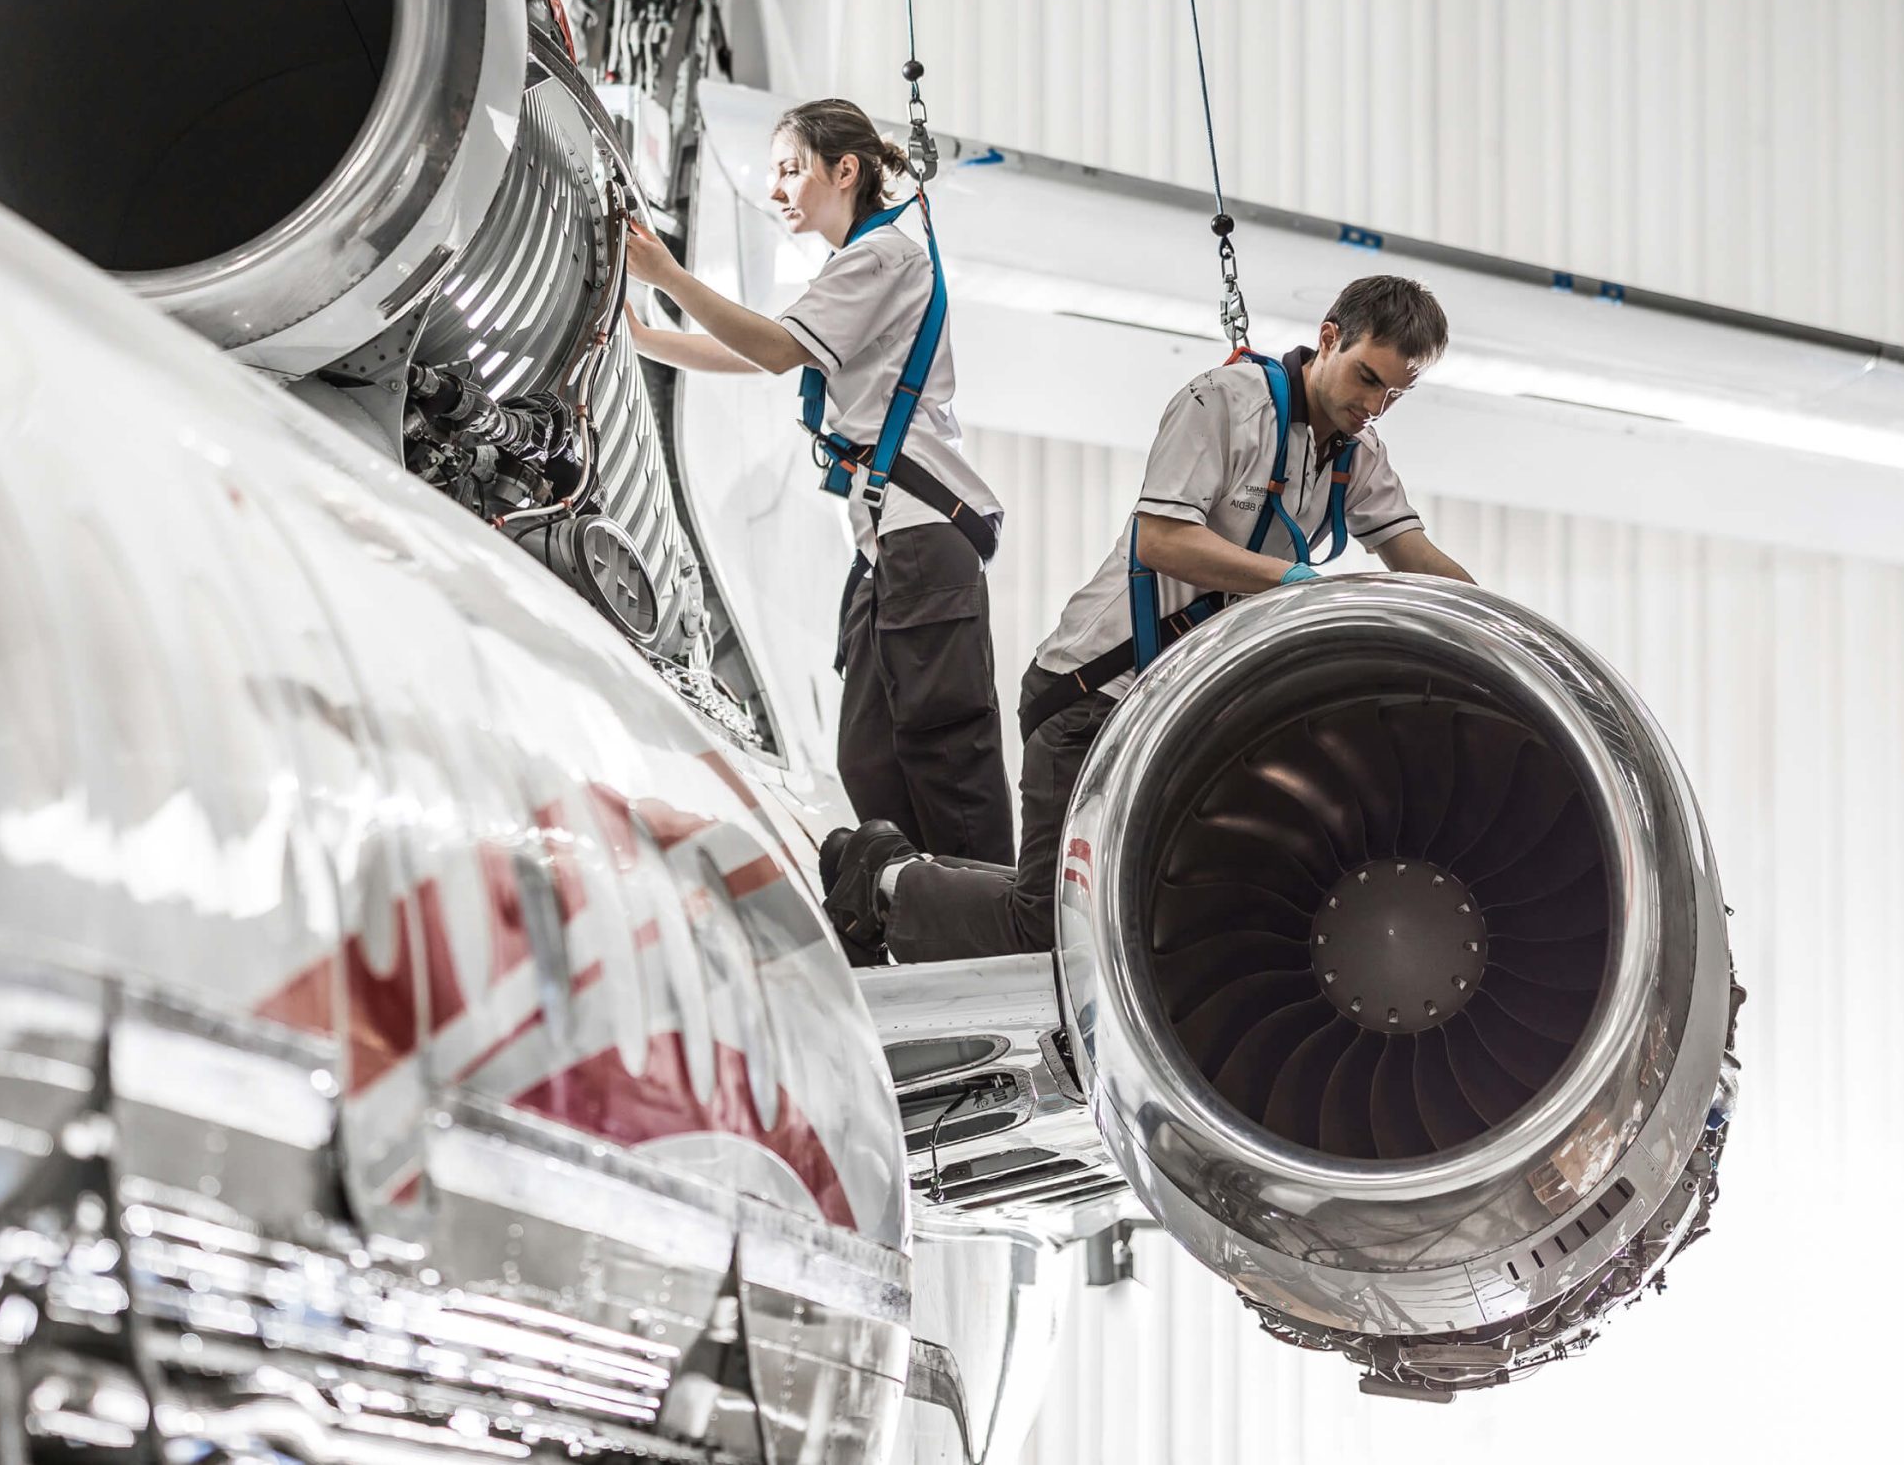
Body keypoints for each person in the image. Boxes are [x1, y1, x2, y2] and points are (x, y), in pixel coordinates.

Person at [821, 273, 1477, 965]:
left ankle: (897, 868)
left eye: (1394, 396)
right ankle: (880, 874)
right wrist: (1298, 584)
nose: (1374, 406)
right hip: (1089, 693)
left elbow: (1416, 557)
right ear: (1328, 339)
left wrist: (1496, 629)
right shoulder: (1222, 404)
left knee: (1109, 915)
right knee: (1048, 931)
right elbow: (1160, 540)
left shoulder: (1357, 456)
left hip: (1162, 714)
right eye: (1367, 379)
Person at [622, 98, 1013, 865]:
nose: (777, 190)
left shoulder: (882, 257)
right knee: (869, 758)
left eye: (791, 170)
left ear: (846, 171)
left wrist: (668, 276)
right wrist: (643, 338)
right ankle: (928, 909)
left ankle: (990, 927)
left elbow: (772, 350)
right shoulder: (855, 267)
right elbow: (762, 354)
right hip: (886, 545)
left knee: (944, 757)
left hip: (920, 533)